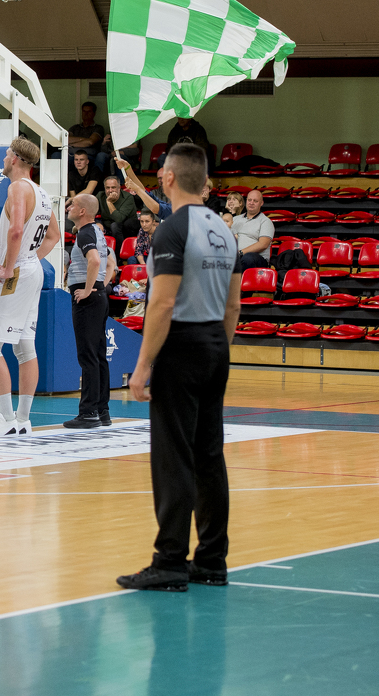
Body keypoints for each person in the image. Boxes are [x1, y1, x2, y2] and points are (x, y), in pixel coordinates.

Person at [117, 142, 241, 593]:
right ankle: (212, 560)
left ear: (168, 178)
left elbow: (163, 303)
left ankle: (169, 561)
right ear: (203, 181)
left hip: (182, 343)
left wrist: (142, 365)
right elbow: (233, 307)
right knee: (209, 455)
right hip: (215, 343)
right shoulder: (225, 230)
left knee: (173, 456)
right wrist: (216, 350)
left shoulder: (172, 229)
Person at [0, 136, 60, 437]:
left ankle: (6, 419)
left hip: (17, 272)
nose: (3, 158)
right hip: (32, 269)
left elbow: (17, 229)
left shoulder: (17, 187)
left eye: (7, 153)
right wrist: (31, 260)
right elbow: (54, 236)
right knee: (24, 347)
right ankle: (22, 420)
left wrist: (10, 267)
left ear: (16, 159)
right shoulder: (42, 192)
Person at [63, 193, 112, 429]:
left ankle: (89, 412)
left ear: (82, 211)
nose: (68, 207)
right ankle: (102, 410)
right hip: (99, 297)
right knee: (99, 355)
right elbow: (109, 263)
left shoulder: (85, 233)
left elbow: (95, 261)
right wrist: (99, 287)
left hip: (88, 299)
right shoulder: (96, 232)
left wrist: (87, 289)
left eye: (73, 205)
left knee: (88, 356)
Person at [230, 189, 274, 270]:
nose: (251, 203)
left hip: (256, 258)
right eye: (249, 200)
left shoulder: (265, 221)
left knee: (248, 258)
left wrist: (240, 253)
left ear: (261, 203)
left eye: (255, 201)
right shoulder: (235, 219)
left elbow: (263, 244)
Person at [68, 102, 111, 176]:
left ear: (94, 113)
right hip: (72, 154)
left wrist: (73, 143)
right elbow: (67, 140)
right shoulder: (74, 127)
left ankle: (96, 180)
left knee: (80, 159)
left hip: (90, 155)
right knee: (58, 155)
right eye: (84, 111)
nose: (86, 114)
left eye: (89, 111)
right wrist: (85, 140)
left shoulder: (98, 128)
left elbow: (90, 142)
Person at [97, 175, 138, 243]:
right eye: (107, 188)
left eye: (113, 187)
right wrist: (97, 223)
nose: (110, 190)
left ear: (119, 188)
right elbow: (90, 211)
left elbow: (119, 219)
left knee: (115, 226)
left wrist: (109, 202)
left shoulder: (128, 197)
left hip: (126, 228)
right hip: (107, 226)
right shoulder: (100, 196)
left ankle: (120, 249)